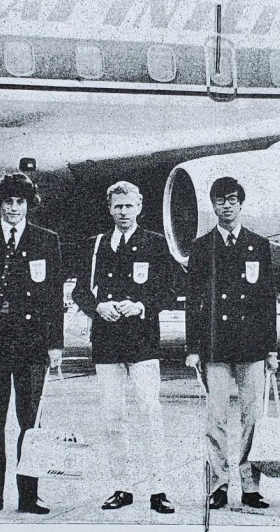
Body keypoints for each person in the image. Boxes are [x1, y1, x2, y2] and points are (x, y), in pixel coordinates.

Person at [71, 181, 176, 514]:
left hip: (143, 343)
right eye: (118, 207)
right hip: (107, 343)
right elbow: (80, 291)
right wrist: (97, 307)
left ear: (140, 206)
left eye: (129, 206)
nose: (123, 212)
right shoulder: (95, 244)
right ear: (109, 208)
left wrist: (142, 305)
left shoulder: (156, 244)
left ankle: (159, 489)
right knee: (113, 416)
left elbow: (170, 291)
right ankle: (122, 486)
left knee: (150, 412)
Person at [0, 173, 64, 517]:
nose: (14, 208)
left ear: (28, 205)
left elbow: (53, 297)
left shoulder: (46, 241)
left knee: (30, 423)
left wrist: (56, 343)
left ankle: (29, 496)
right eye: (8, 202)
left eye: (20, 202)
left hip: (32, 345)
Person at [184, 177, 278, 510]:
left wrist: (271, 348)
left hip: (251, 346)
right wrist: (192, 347)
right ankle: (219, 484)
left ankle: (250, 486)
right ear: (212, 205)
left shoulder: (258, 244)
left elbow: (268, 299)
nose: (227, 205)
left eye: (232, 199)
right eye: (220, 200)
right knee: (216, 419)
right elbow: (192, 299)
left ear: (241, 204)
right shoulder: (201, 246)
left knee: (252, 418)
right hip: (215, 346)